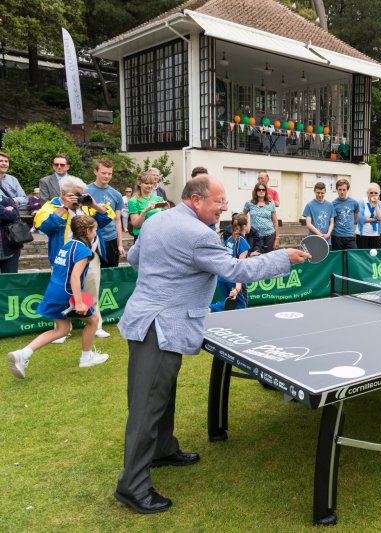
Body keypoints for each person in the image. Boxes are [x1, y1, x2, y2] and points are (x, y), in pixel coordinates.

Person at [113, 176, 309, 515]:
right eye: (218, 201)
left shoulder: (156, 219)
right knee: (147, 406)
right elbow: (235, 269)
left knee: (161, 394)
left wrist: (163, 278)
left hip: (149, 321)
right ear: (195, 200)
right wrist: (282, 258)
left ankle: (162, 449)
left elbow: (135, 258)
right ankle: (133, 486)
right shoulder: (199, 235)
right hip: (160, 327)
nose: (224, 207)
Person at [7, 217, 108, 379]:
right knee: (93, 320)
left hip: (55, 291)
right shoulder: (84, 251)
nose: (95, 233)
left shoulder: (67, 245)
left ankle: (22, 354)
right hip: (66, 295)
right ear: (88, 231)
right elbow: (74, 277)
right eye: (94, 229)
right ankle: (86, 358)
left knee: (62, 330)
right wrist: (79, 302)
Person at [34, 175, 116, 339]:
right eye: (77, 194)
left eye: (82, 193)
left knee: (92, 291)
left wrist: (93, 204)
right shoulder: (51, 206)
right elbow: (43, 226)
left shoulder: (86, 206)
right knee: (62, 294)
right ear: (64, 193)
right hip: (64, 258)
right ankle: (62, 330)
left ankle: (96, 325)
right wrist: (64, 207)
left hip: (88, 256)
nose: (80, 197)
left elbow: (107, 217)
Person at [85, 158, 127, 268]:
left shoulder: (116, 194)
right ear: (95, 171)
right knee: (91, 273)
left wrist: (120, 244)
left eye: (109, 174)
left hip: (110, 239)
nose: (106, 176)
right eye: (103, 173)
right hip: (90, 239)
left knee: (111, 274)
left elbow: (118, 221)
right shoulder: (85, 191)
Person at [209, 214, 254, 312]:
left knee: (227, 304)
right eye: (249, 223)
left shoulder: (229, 239)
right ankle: (211, 308)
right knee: (240, 306)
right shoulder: (243, 243)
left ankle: (211, 309)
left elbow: (228, 256)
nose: (250, 225)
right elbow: (240, 267)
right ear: (244, 226)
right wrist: (238, 288)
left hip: (223, 276)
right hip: (234, 279)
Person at [128, 171, 167, 243]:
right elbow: (136, 225)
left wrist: (167, 208)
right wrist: (145, 211)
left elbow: (164, 219)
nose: (150, 186)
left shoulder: (158, 198)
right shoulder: (133, 201)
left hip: (157, 235)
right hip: (142, 237)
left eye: (151, 183)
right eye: (147, 183)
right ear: (139, 183)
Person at [244, 182, 279, 253]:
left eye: (263, 189)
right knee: (256, 256)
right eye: (259, 189)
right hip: (255, 236)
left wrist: (277, 238)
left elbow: (275, 221)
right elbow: (243, 216)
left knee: (269, 256)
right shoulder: (249, 203)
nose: (261, 191)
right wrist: (247, 226)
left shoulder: (271, 203)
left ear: (266, 191)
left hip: (269, 235)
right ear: (255, 191)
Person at [331, 178, 359, 250]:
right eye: (340, 189)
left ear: (347, 190)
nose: (342, 192)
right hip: (336, 236)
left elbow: (356, 218)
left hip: (349, 236)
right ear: (337, 190)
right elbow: (332, 221)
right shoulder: (333, 204)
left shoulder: (354, 203)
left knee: (353, 255)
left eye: (344, 190)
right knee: (338, 256)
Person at [355, 183, 381, 249]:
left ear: (378, 194)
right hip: (362, 233)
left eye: (376, 193)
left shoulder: (379, 203)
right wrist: (374, 220)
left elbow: (380, 218)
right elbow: (360, 219)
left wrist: (376, 205)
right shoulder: (362, 202)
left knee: (374, 253)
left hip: (375, 234)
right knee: (362, 253)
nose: (373, 194)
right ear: (367, 193)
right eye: (371, 192)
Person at [0, 192, 21, 273]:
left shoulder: (8, 200)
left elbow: (14, 216)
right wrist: (4, 209)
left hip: (10, 251)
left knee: (11, 279)